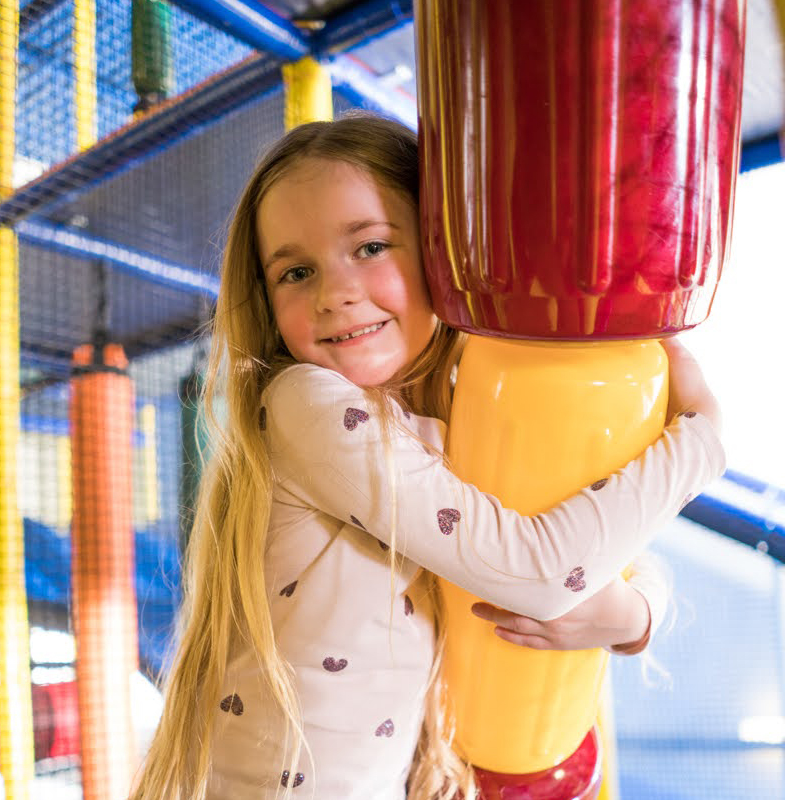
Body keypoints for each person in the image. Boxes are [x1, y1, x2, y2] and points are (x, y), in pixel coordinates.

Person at [129, 113, 725, 800]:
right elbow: (539, 572)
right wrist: (702, 445)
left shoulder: (453, 417)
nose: (334, 293)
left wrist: (633, 615)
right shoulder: (306, 404)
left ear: (441, 254)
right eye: (296, 271)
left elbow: (599, 544)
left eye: (370, 247)